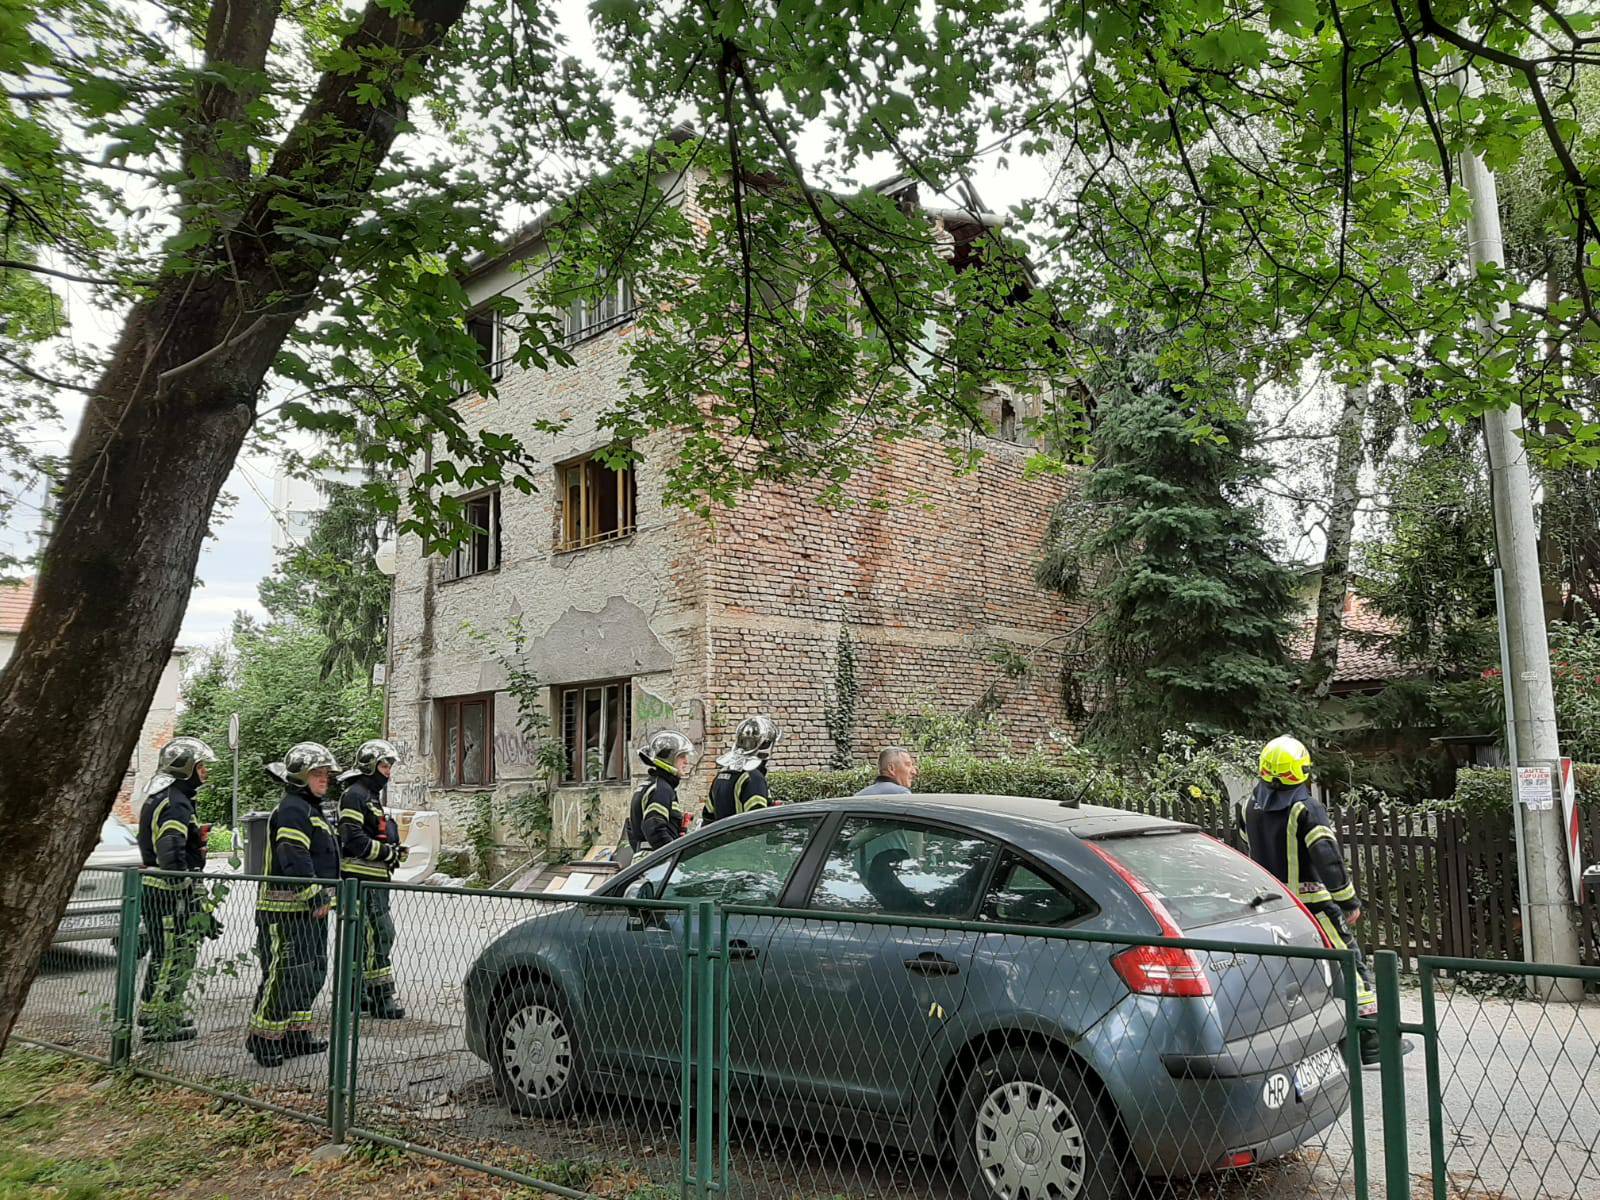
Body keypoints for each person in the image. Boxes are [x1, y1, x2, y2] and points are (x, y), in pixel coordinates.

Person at [1244, 735, 1380, 1064]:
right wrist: (1348, 902)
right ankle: (1371, 1039)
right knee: (1350, 962)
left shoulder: (1252, 805)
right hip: (1313, 906)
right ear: (1302, 770)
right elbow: (1327, 856)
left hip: (1270, 906)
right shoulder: (1306, 807)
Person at [248, 742, 341, 1068]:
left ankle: (296, 1034)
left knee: (311, 973)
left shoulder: (309, 809)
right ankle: (263, 1038)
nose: (324, 779)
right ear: (300, 777)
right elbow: (293, 855)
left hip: (309, 909)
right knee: (285, 975)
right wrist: (314, 894)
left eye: (326, 773)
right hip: (285, 911)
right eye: (317, 773)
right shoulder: (292, 809)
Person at [136, 736, 218, 1042]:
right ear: (186, 769)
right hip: (168, 894)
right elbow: (171, 852)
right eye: (201, 767)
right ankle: (158, 1021)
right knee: (171, 954)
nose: (205, 773)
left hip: (161, 891)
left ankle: (157, 1011)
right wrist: (191, 893)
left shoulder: (166, 797)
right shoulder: (175, 802)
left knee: (169, 953)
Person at [338, 738, 408, 1020]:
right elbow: (353, 839)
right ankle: (381, 997)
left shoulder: (368, 796)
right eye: (383, 765)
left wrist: (392, 852)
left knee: (364, 940)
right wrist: (387, 852)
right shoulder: (355, 795)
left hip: (375, 881)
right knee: (379, 935)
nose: (388, 771)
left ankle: (358, 995)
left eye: (390, 765)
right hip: (361, 880)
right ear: (369, 766)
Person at [625, 731, 695, 860]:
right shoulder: (661, 789)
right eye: (681, 756)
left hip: (646, 858)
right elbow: (654, 828)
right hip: (657, 863)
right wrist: (673, 857)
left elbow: (631, 828)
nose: (686, 761)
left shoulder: (651, 784)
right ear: (668, 758)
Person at [703, 715, 780, 825]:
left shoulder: (722, 774)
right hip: (742, 841)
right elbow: (758, 822)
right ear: (765, 745)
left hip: (721, 840)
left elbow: (708, 816)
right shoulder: (754, 778)